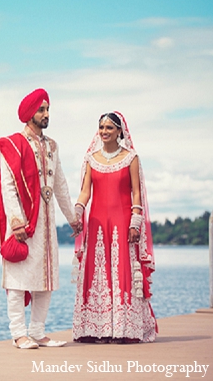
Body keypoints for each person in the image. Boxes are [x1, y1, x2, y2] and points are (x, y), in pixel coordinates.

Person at [0, 88, 81, 349]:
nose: (46, 114)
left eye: (47, 109)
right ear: (29, 114)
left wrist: (72, 218)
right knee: (17, 281)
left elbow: (60, 184)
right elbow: (8, 186)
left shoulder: (52, 146)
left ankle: (38, 332)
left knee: (46, 280)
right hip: (22, 223)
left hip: (46, 222)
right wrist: (16, 221)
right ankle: (19, 334)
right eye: (41, 110)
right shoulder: (13, 145)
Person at [72, 111, 157, 344]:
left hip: (122, 222)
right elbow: (85, 191)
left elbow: (136, 193)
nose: (104, 132)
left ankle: (125, 329)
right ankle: (94, 329)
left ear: (120, 131)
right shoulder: (91, 158)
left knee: (122, 272)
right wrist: (77, 214)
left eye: (109, 128)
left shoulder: (131, 158)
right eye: (101, 127)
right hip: (98, 223)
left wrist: (135, 223)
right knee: (97, 272)